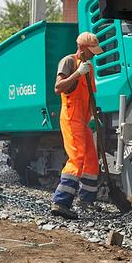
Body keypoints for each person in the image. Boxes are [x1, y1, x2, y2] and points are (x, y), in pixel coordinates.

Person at [51, 32, 104, 220]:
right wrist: (77, 73)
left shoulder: (89, 68)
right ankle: (61, 202)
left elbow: (89, 95)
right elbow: (58, 87)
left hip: (83, 119)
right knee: (77, 158)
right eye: (92, 51)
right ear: (82, 48)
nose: (94, 55)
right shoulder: (69, 62)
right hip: (71, 118)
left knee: (91, 157)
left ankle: (86, 200)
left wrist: (95, 114)